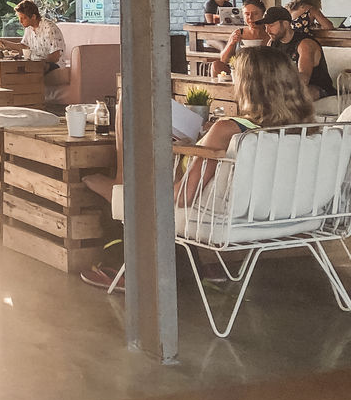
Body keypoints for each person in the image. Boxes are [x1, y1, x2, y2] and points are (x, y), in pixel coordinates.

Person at [81, 47, 313, 290]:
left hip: (214, 218)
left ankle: (127, 267)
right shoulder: (308, 129)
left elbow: (182, 197)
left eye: (235, 72)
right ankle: (193, 266)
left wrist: (177, 158)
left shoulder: (227, 130)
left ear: (248, 85)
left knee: (105, 183)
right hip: (283, 215)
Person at [262, 5, 335, 101]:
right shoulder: (272, 43)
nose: (267, 30)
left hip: (319, 89)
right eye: (265, 26)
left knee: (296, 94)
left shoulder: (305, 44)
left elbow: (303, 80)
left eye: (271, 26)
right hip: (286, 87)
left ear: (285, 24)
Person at [0, 0, 65, 69]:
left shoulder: (50, 28)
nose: (20, 21)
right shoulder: (29, 28)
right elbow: (24, 47)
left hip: (53, 64)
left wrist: (37, 63)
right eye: (19, 18)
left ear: (33, 17)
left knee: (30, 69)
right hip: (34, 62)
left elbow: (56, 56)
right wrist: (6, 43)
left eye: (23, 18)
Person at [212, 0, 267, 77]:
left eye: (255, 14)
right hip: (240, 72)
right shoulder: (239, 33)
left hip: (263, 72)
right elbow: (224, 59)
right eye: (247, 14)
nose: (250, 18)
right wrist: (232, 43)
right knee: (216, 65)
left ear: (263, 14)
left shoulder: (269, 32)